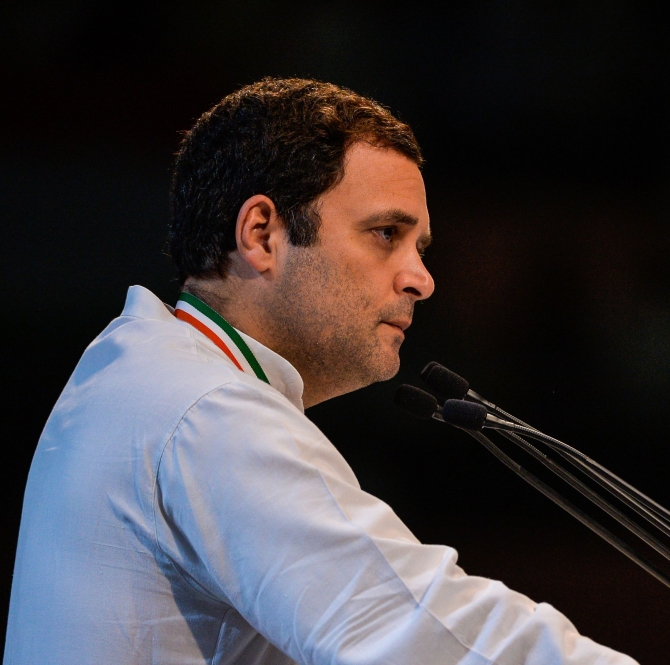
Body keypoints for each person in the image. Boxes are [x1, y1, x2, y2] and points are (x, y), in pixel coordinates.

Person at [4, 78, 638, 665]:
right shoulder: (205, 408)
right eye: (386, 233)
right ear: (261, 235)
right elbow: (417, 631)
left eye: (419, 248)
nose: (422, 279)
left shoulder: (147, 376)